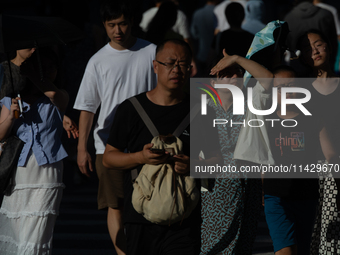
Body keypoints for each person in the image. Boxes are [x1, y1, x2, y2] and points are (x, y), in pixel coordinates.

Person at [211, 51, 340, 255]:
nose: (285, 91)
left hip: (297, 193)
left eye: (290, 86)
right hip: (266, 194)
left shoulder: (309, 118)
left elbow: (330, 153)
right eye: (280, 88)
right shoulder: (257, 115)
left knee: (299, 248)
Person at [102, 39, 216, 255]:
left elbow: (216, 162)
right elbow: (109, 158)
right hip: (141, 216)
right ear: (155, 66)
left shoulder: (201, 109)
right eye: (170, 63)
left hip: (185, 218)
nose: (176, 69)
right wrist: (140, 157)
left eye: (183, 64)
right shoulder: (131, 108)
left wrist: (193, 166)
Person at [73, 1, 157, 254]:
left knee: (153, 203)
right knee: (115, 205)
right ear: (104, 27)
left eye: (122, 24)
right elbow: (88, 107)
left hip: (149, 142)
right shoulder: (97, 61)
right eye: (111, 25)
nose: (117, 30)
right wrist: (82, 149)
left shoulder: (152, 52)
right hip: (108, 145)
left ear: (132, 23)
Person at [0, 48, 69, 254]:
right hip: (19, 170)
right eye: (43, 68)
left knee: (37, 232)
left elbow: (55, 94)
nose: (48, 73)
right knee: (18, 230)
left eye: (52, 68)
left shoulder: (58, 97)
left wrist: (35, 75)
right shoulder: (11, 98)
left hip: (48, 171)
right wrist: (12, 116)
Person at [201, 61, 263, 254]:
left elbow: (268, 80)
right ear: (213, 82)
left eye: (235, 73)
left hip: (248, 186)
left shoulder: (253, 106)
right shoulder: (202, 109)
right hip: (214, 189)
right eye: (223, 74)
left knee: (243, 244)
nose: (230, 78)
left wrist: (237, 57)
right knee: (213, 244)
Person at [297, 29, 340, 255]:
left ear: (329, 46)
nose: (314, 51)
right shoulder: (300, 91)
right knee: (312, 235)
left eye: (318, 44)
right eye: (307, 48)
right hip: (309, 172)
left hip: (336, 169)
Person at [190, 0, 220, 76]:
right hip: (217, 54)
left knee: (202, 83)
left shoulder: (198, 13)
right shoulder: (219, 12)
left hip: (202, 53)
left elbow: (194, 33)